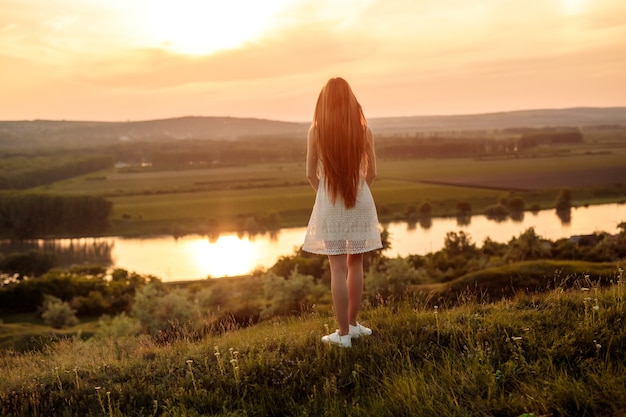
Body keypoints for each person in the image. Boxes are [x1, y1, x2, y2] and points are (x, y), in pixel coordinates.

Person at [302, 77, 382, 348]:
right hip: (360, 201)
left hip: (330, 202)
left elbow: (310, 175)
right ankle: (354, 325)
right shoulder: (364, 131)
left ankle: (343, 333)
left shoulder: (316, 132)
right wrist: (360, 192)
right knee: (355, 263)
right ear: (351, 101)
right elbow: (372, 173)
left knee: (336, 267)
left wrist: (325, 198)